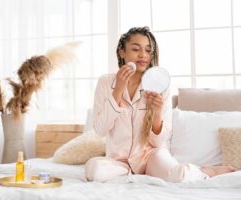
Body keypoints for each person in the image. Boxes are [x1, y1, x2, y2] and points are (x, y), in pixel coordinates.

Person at [85, 26, 235, 183]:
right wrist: (118, 91)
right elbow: (100, 130)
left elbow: (157, 143)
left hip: (151, 157)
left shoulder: (159, 85)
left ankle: (207, 171)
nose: (143, 55)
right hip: (118, 162)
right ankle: (134, 175)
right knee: (94, 170)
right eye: (136, 49)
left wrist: (157, 113)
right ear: (122, 52)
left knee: (179, 176)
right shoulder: (105, 82)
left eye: (148, 50)